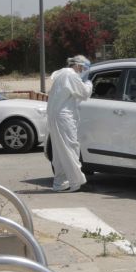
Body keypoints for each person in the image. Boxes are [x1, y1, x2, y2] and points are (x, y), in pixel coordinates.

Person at [47, 54, 93, 192]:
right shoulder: (71, 75)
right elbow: (84, 93)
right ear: (79, 65)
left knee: (59, 152)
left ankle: (60, 183)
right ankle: (77, 182)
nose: (84, 71)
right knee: (70, 149)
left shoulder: (62, 73)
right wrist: (89, 83)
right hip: (63, 118)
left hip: (56, 116)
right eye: (85, 68)